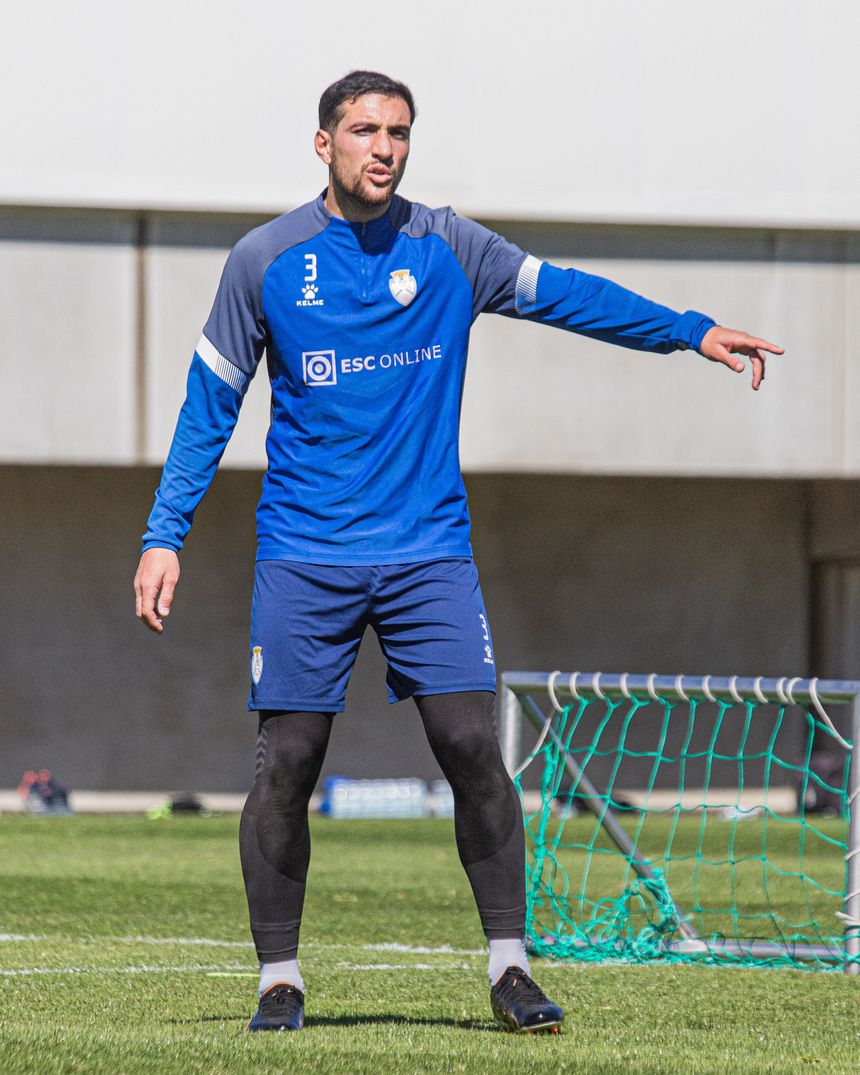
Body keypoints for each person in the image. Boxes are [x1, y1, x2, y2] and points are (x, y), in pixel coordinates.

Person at [133, 69, 783, 1034]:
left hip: (427, 552)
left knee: (474, 744)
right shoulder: (263, 260)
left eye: (398, 132)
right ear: (324, 143)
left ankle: (511, 968)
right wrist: (163, 534)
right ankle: (280, 976)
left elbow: (567, 295)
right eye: (363, 131)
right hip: (305, 555)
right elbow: (207, 406)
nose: (383, 148)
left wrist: (687, 332)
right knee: (287, 763)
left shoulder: (451, 247)